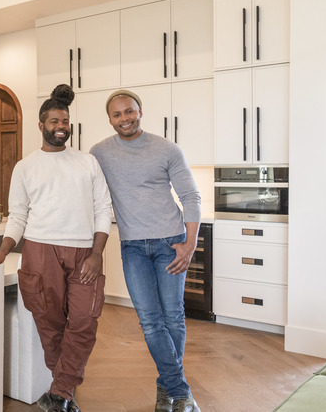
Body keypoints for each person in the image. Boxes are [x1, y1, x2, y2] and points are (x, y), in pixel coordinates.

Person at [0, 84, 112, 412]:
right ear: (41, 126)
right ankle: (64, 393)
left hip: (83, 252)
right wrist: (3, 249)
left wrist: (97, 253)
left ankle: (60, 392)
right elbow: (18, 215)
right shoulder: (25, 167)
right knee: (49, 323)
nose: (61, 127)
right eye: (54, 122)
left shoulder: (88, 163)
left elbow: (104, 209)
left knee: (83, 321)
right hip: (39, 251)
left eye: (64, 122)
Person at [89, 89, 202, 412]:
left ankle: (169, 391)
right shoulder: (99, 154)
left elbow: (191, 197)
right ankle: (179, 391)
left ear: (140, 111)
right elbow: (86, 191)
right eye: (117, 114)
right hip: (133, 246)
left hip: (171, 242)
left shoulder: (166, 148)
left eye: (129, 111)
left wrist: (189, 245)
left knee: (173, 318)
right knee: (151, 321)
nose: (124, 118)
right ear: (110, 119)